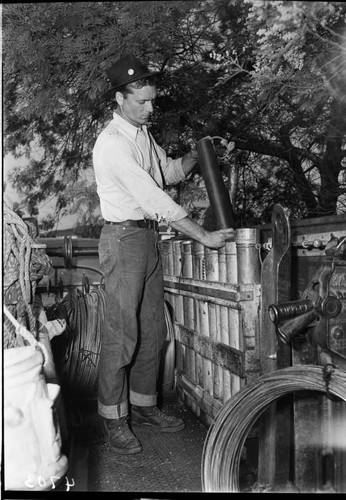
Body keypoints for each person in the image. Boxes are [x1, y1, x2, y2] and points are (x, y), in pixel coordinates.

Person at [92, 54, 235, 455]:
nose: (151, 109)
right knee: (122, 335)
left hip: (149, 240)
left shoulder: (143, 136)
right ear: (120, 99)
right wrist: (204, 235)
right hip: (123, 240)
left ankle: (144, 406)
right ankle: (112, 420)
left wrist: (198, 154)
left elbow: (168, 174)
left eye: (153, 101)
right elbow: (155, 198)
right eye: (142, 102)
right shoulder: (112, 145)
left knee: (153, 332)